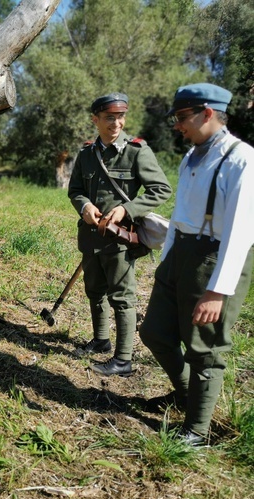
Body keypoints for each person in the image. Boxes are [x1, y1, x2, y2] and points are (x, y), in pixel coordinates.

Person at [139, 83, 254, 446]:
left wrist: (217, 290)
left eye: (182, 117)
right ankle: (186, 393)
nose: (177, 125)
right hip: (181, 254)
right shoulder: (192, 156)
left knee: (204, 349)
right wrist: (166, 259)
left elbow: (241, 232)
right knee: (154, 332)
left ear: (208, 114)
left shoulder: (242, 158)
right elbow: (180, 215)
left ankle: (196, 430)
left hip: (215, 258)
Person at [68, 93, 172, 376]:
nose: (116, 123)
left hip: (120, 238)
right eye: (109, 118)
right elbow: (75, 189)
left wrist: (127, 209)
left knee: (122, 298)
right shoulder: (86, 154)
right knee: (94, 291)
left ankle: (123, 360)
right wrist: (84, 205)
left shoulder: (137, 151)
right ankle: (101, 341)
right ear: (95, 120)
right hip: (91, 235)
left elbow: (161, 189)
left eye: (120, 117)